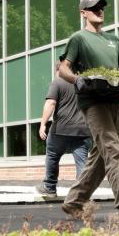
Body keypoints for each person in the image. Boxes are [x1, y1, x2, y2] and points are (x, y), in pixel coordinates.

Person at [57, 0, 119, 220]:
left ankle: (74, 201)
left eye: (101, 7)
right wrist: (76, 80)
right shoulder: (78, 38)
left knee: (101, 156)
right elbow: (64, 69)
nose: (99, 10)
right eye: (93, 8)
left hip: (115, 101)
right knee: (113, 150)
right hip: (93, 103)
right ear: (83, 13)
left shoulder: (114, 40)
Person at [37, 61, 92, 197]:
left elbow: (51, 102)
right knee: (82, 162)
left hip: (61, 129)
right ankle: (81, 194)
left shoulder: (58, 82)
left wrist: (43, 123)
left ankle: (49, 188)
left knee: (52, 155)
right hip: (83, 131)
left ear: (60, 70)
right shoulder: (85, 83)